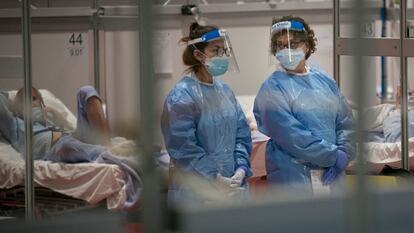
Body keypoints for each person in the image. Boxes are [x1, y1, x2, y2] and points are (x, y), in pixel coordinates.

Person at [253, 16, 355, 190]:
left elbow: (344, 122)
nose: (287, 50)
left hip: (332, 173)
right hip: (292, 177)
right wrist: (332, 156)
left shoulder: (324, 80)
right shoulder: (272, 89)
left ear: (307, 45)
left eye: (293, 44)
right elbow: (292, 135)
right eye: (280, 45)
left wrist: (345, 151)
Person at [0, 86, 140, 208]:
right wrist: (10, 101)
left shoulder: (49, 120)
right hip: (55, 148)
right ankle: (115, 152)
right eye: (24, 100)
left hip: (73, 137)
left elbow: (72, 130)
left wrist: (57, 117)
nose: (30, 104)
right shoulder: (14, 125)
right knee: (66, 145)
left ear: (41, 104)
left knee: (86, 91)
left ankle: (107, 145)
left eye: (34, 99)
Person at [161, 22, 252, 202]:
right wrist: (214, 178)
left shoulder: (225, 92)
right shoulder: (181, 96)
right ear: (198, 54)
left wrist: (241, 168)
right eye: (215, 50)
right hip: (196, 192)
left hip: (233, 189)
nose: (222, 55)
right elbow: (183, 148)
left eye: (224, 50)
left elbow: (242, 136)